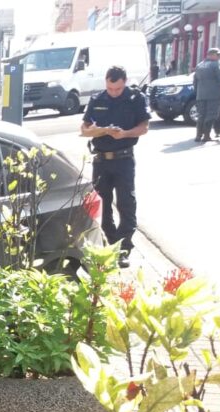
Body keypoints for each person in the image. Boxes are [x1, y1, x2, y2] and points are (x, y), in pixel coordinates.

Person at [81, 65, 150, 269]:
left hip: (123, 159)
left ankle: (124, 248)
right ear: (106, 82)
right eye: (110, 88)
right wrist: (95, 130)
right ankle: (108, 243)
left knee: (126, 203)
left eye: (118, 89)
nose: (114, 93)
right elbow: (84, 129)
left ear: (125, 82)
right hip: (101, 159)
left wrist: (125, 133)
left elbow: (143, 128)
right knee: (102, 203)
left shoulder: (135, 99)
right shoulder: (97, 99)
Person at [193, 48, 220, 142]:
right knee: (211, 114)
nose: (219, 57)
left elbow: (195, 81)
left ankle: (198, 135)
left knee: (201, 115)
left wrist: (197, 93)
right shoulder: (216, 64)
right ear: (212, 55)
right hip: (213, 94)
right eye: (218, 55)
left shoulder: (200, 65)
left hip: (200, 95)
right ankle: (206, 136)